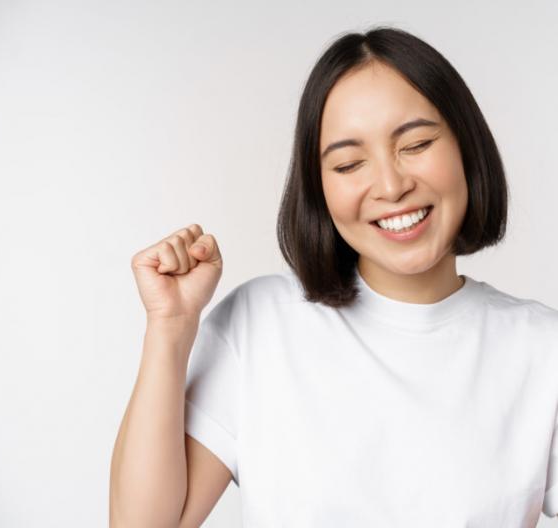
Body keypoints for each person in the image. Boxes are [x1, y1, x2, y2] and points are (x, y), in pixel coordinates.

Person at [109, 26, 558, 527]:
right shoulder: (260, 324)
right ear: (318, 188)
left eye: (416, 144)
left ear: (465, 147)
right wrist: (170, 327)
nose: (390, 186)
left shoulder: (542, 349)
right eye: (348, 164)